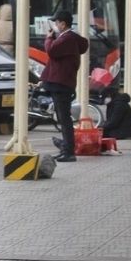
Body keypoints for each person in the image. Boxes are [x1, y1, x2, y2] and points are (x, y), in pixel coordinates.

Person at [41, 10, 89, 162]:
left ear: (63, 24)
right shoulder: (71, 38)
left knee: (64, 118)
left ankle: (68, 151)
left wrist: (49, 38)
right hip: (64, 83)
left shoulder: (67, 38)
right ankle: (66, 148)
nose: (55, 25)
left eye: (56, 22)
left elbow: (51, 51)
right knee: (63, 117)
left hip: (61, 84)